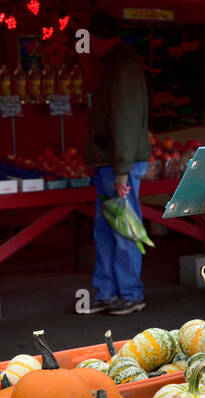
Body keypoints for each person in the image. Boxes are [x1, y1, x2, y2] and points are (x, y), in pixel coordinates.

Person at [84, 12, 151, 315]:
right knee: (107, 228)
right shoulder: (117, 63)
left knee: (122, 228)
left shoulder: (121, 66)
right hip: (110, 162)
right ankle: (109, 291)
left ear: (95, 38)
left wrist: (122, 169)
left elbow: (125, 120)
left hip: (118, 163)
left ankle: (130, 293)